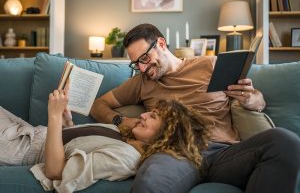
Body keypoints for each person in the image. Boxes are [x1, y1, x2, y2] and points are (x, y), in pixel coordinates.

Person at [90, 23, 300, 193]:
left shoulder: (210, 64)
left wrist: (253, 100)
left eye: (144, 58)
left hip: (224, 153)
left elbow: (258, 100)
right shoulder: (142, 82)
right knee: (150, 183)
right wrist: (120, 121)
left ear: (161, 44)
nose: (143, 68)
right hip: (175, 154)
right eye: (136, 63)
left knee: (285, 141)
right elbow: (99, 104)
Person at [0, 85, 210, 191]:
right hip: (29, 131)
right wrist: (66, 122)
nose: (143, 114)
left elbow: (55, 171)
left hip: (21, 147)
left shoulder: (124, 159)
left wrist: (54, 116)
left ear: (167, 134)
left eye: (153, 116)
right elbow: (73, 145)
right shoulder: (128, 137)